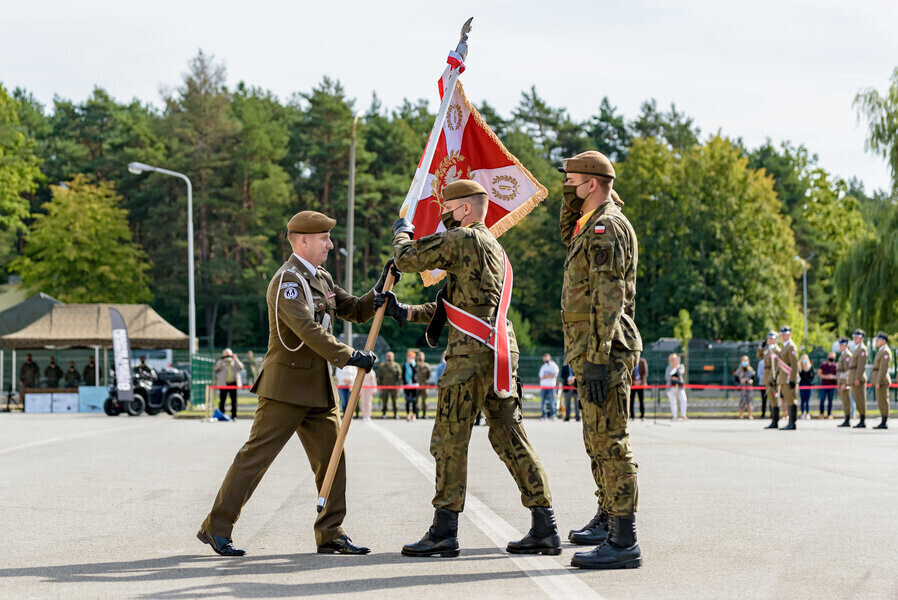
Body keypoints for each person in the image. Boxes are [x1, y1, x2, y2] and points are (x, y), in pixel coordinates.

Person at [385, 179, 560, 559]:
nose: (443, 215)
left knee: (449, 440)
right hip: (498, 352)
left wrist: (402, 233)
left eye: (447, 209)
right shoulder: (492, 246)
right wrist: (406, 312)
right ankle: (545, 525)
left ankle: (444, 531)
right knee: (510, 437)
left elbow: (408, 259)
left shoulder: (464, 239)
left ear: (465, 209)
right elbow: (458, 307)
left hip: (469, 358)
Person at [197, 210, 379, 557]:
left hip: (317, 388)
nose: (330, 244)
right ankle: (216, 527)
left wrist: (381, 289)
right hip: (286, 387)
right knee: (255, 459)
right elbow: (307, 329)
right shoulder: (287, 281)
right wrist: (350, 356)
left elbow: (355, 309)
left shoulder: (322, 278)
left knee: (333, 460)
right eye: (324, 238)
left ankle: (330, 532)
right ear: (303, 241)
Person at [557, 151, 642, 570]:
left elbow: (610, 295)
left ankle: (624, 540)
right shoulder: (589, 223)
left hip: (604, 348)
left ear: (592, 184)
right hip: (590, 346)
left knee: (611, 441)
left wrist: (597, 357)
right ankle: (608, 517)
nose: (566, 186)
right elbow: (565, 233)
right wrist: (570, 195)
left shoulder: (607, 226)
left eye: (571, 181)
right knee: (596, 439)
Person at [775, 326, 800, 430]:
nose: (783, 336)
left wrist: (792, 380)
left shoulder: (791, 346)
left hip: (789, 379)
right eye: (782, 334)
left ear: (790, 334)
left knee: (791, 400)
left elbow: (794, 365)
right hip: (784, 379)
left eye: (785, 334)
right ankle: (790, 422)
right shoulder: (785, 346)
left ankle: (792, 423)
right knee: (788, 400)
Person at [214, 349, 245, 420]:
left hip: (233, 383)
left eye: (229, 355)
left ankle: (234, 416)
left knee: (234, 400)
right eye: (226, 355)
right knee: (222, 400)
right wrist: (223, 360)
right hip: (223, 384)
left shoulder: (234, 361)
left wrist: (235, 359)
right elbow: (216, 368)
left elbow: (241, 367)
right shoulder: (221, 361)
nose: (228, 356)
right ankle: (221, 415)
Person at [871, 332, 892, 430]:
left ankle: (884, 422)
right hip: (878, 379)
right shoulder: (881, 351)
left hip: (882, 380)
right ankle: (883, 421)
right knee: (880, 401)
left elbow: (883, 368)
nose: (877, 342)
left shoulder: (885, 351)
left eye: (878, 340)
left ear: (884, 341)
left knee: (883, 401)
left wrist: (878, 381)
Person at [848, 329, 868, 428]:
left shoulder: (862, 349)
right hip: (854, 377)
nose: (855, 339)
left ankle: (862, 420)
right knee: (857, 399)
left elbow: (861, 365)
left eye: (857, 337)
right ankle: (861, 419)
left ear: (862, 338)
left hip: (858, 378)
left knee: (860, 399)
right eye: (854, 337)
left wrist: (858, 378)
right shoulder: (856, 348)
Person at [762, 332, 781, 427]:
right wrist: (760, 347)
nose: (769, 340)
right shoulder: (768, 350)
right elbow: (759, 355)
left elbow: (776, 366)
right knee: (771, 399)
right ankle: (773, 420)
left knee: (774, 399)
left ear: (776, 340)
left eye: (771, 338)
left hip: (773, 377)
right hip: (767, 376)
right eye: (768, 339)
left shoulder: (777, 350)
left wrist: (773, 378)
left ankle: (775, 421)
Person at [377, 351, 401, 419]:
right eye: (388, 356)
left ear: (393, 357)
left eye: (390, 356)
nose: (389, 358)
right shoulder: (382, 366)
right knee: (384, 401)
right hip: (385, 387)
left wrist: (398, 386)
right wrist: (379, 386)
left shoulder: (396, 366)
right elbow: (379, 377)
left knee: (395, 401)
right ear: (386, 357)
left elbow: (399, 377)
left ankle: (395, 414)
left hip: (394, 387)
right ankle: (384, 413)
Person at [836, 338, 853, 427]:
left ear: (846, 345)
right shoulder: (843, 354)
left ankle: (847, 419)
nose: (840, 347)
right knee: (844, 400)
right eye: (840, 345)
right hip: (841, 381)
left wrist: (845, 383)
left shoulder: (847, 355)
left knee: (846, 401)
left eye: (842, 345)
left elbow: (847, 370)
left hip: (844, 381)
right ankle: (846, 418)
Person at [665, 353, 687, 421]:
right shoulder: (668, 367)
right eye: (671, 359)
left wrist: (676, 366)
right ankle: (675, 416)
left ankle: (683, 415)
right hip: (671, 387)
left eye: (674, 359)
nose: (673, 361)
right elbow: (667, 377)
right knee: (673, 402)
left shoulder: (680, 366)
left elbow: (681, 372)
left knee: (683, 400)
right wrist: (672, 378)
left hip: (680, 387)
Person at [539, 353, 560, 421]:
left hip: (551, 387)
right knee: (543, 402)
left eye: (546, 358)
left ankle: (552, 415)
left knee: (552, 401)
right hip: (543, 387)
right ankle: (544, 416)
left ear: (550, 358)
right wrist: (549, 375)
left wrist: (546, 376)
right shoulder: (543, 366)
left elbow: (554, 375)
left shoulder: (554, 366)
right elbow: (541, 376)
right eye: (544, 358)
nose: (545, 360)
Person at [734, 355, 755, 419]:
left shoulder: (751, 369)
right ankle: (741, 415)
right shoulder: (739, 370)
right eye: (743, 360)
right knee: (741, 401)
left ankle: (750, 415)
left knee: (749, 402)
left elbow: (753, 377)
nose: (745, 362)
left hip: (749, 388)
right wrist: (740, 381)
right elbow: (736, 378)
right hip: (742, 388)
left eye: (746, 360)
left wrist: (751, 381)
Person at [817, 352, 838, 419]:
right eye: (830, 356)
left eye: (833, 356)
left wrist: (832, 377)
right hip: (824, 386)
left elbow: (838, 376)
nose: (831, 357)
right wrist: (826, 376)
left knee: (830, 400)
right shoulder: (823, 365)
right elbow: (819, 374)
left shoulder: (835, 366)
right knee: (822, 399)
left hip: (831, 386)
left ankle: (829, 414)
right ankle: (821, 413)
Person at [402, 349, 418, 421]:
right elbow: (403, 375)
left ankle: (414, 415)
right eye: (409, 357)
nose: (410, 359)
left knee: (414, 400)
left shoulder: (415, 365)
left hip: (414, 384)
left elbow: (416, 372)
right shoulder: (404, 365)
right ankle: (408, 414)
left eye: (412, 357)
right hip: (407, 384)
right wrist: (404, 384)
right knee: (407, 400)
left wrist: (411, 365)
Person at [798, 354, 814, 420]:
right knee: (802, 400)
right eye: (803, 358)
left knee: (807, 400)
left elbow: (812, 377)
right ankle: (802, 413)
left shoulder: (810, 367)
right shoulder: (799, 368)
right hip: (801, 386)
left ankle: (807, 413)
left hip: (808, 386)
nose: (804, 360)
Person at [416, 351, 431, 419]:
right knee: (416, 400)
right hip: (416, 386)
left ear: (424, 358)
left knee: (424, 401)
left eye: (421, 356)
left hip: (424, 386)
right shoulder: (415, 366)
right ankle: (416, 414)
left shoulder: (426, 366)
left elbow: (428, 375)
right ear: (417, 357)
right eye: (419, 356)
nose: (420, 358)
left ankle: (424, 414)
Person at [756, 350, 766, 418]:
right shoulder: (761, 363)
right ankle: (763, 414)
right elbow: (759, 373)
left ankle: (772, 414)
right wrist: (764, 380)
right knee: (763, 399)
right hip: (762, 383)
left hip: (769, 383)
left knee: (772, 400)